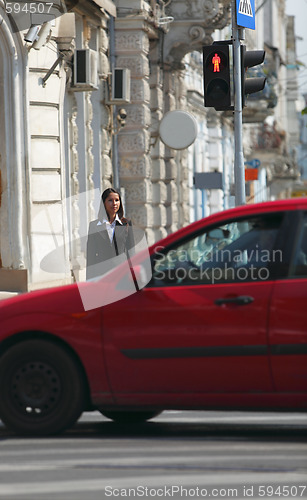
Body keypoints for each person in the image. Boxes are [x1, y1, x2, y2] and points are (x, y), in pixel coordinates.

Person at [86, 188, 134, 280]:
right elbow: (91, 256)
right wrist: (89, 281)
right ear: (103, 203)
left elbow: (131, 252)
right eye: (110, 200)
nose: (114, 203)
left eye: (117, 200)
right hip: (101, 274)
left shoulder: (126, 223)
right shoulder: (94, 226)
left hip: (122, 273)